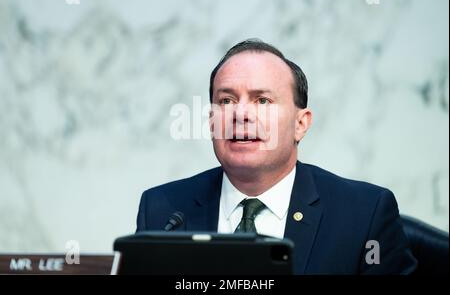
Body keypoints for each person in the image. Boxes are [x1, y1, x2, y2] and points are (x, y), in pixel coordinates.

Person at [136, 39, 417, 274]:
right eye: (226, 101)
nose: (241, 114)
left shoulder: (364, 215)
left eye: (262, 100)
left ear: (301, 124)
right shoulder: (162, 210)